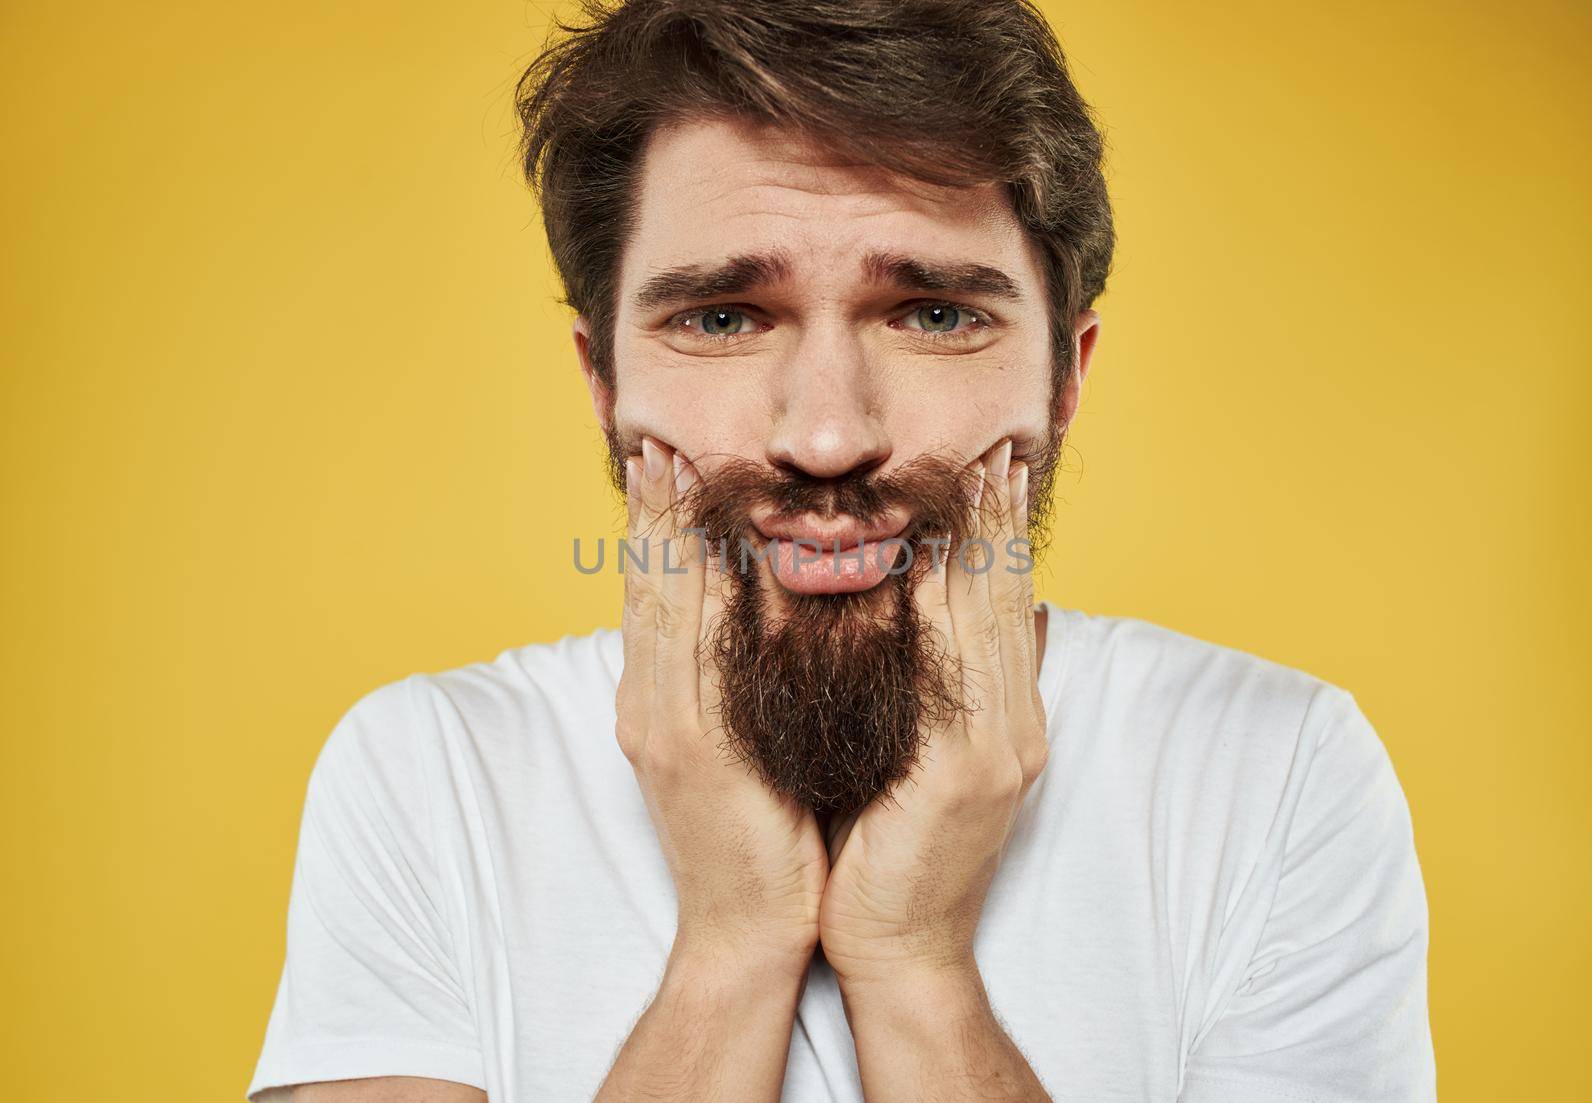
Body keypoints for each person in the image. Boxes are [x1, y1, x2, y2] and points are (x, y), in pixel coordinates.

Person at [246, 1, 1435, 1100]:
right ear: (602, 381)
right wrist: (732, 943)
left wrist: (914, 964)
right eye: (720, 317)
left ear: (1066, 378)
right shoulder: (428, 774)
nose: (826, 435)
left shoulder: (1276, 776)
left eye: (933, 314)